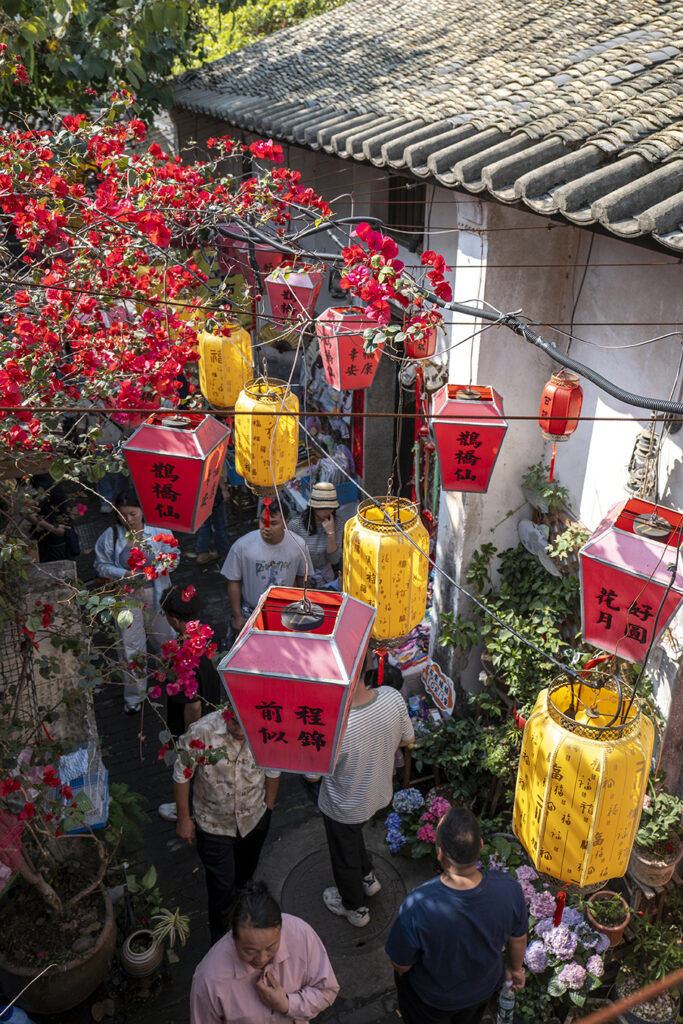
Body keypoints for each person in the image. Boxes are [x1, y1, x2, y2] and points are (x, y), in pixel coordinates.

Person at [385, 807, 528, 1024]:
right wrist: (515, 969)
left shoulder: (419, 903)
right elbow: (518, 938)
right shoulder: (509, 888)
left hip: (433, 999)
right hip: (482, 989)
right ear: (480, 845)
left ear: (440, 852)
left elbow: (400, 963)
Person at [173, 706, 280, 945]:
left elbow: (273, 768)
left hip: (254, 821)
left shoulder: (267, 727)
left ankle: (244, 932)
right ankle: (221, 944)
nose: (241, 731)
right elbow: (182, 773)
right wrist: (184, 818)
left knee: (244, 881)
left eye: (247, 725)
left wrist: (268, 809)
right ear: (227, 712)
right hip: (214, 827)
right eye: (235, 724)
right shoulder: (202, 732)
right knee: (221, 891)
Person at [317, 669, 414, 928]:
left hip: (343, 806)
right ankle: (368, 878)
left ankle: (355, 908)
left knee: (343, 854)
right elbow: (409, 738)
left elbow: (312, 776)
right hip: (379, 793)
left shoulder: (332, 722)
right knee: (353, 838)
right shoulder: (391, 696)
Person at [190, 881, 339, 1024]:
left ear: (281, 930)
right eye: (250, 951)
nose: (261, 959)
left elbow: (327, 991)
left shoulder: (301, 934)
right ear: (232, 937)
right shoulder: (208, 980)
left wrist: (287, 1004)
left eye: (270, 947)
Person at [93, 489, 178, 714]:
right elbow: (100, 565)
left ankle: (170, 672)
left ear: (142, 511)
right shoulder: (111, 536)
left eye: (132, 514)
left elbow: (173, 557)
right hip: (125, 599)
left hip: (157, 595)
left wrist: (152, 571)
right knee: (130, 646)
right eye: (122, 515)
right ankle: (135, 696)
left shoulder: (158, 530)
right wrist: (124, 575)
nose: (128, 520)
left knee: (166, 637)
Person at [157, 584, 223, 823]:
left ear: (174, 620)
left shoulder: (182, 655)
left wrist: (189, 736)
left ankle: (189, 809)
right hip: (214, 707)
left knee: (191, 767)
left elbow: (192, 705)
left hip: (197, 722)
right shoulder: (207, 632)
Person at [220, 501, 310, 642]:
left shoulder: (298, 545)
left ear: (286, 523)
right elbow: (234, 581)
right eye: (263, 521)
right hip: (251, 611)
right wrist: (237, 616)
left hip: (285, 611)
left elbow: (302, 579)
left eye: (273, 523)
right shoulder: (242, 546)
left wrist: (301, 608)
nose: (266, 527)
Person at [288, 481, 343, 587]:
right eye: (323, 508)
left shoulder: (337, 524)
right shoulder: (296, 525)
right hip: (302, 576)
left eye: (331, 508)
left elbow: (334, 560)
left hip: (325, 576)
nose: (327, 512)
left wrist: (331, 533)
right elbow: (291, 558)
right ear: (314, 507)